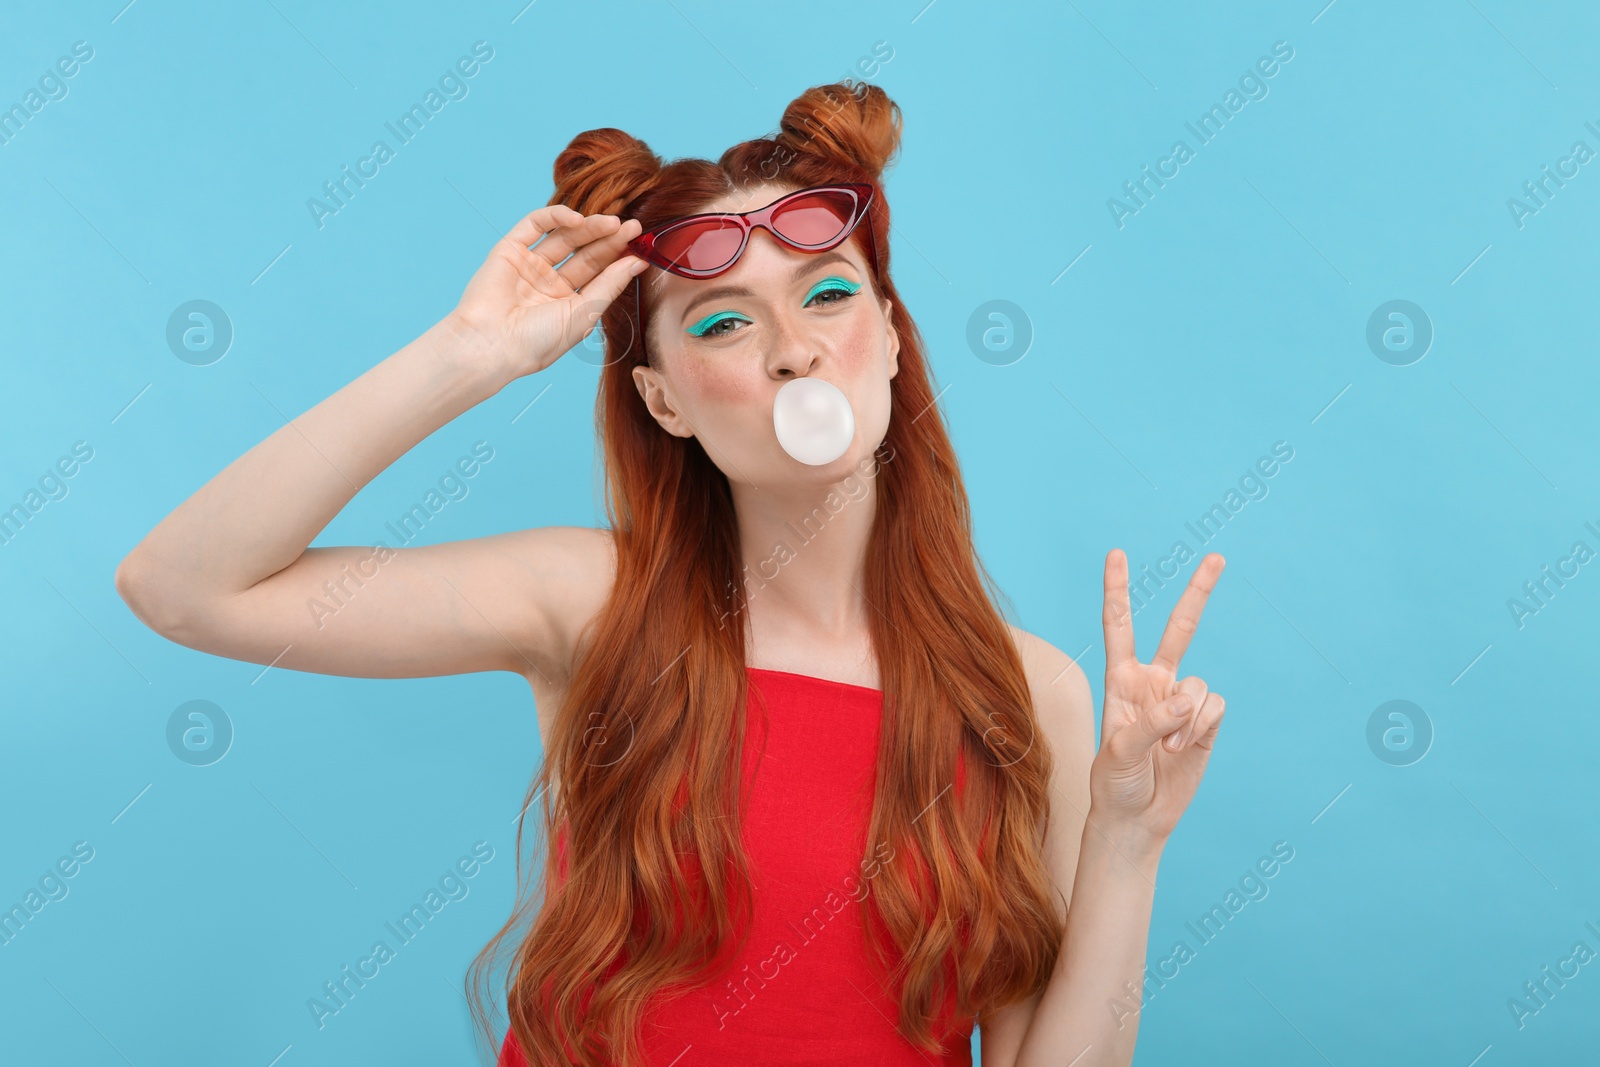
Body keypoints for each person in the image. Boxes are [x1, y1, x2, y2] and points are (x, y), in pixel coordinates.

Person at [114, 80, 1226, 1067]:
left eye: (828, 295)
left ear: (889, 338)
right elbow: (184, 585)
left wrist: (1127, 837)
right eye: (725, 320)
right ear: (664, 402)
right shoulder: (592, 605)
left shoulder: (1031, 692)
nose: (793, 347)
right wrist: (468, 355)